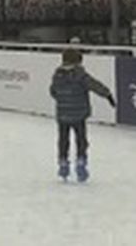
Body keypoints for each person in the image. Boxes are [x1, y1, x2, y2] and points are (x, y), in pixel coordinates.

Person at [49, 48, 116, 182]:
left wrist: (62, 100)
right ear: (79, 61)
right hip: (79, 114)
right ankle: (81, 161)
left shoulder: (57, 75)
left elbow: (53, 91)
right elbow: (95, 85)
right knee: (81, 140)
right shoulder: (81, 75)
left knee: (63, 140)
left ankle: (63, 162)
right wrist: (108, 95)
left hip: (63, 114)